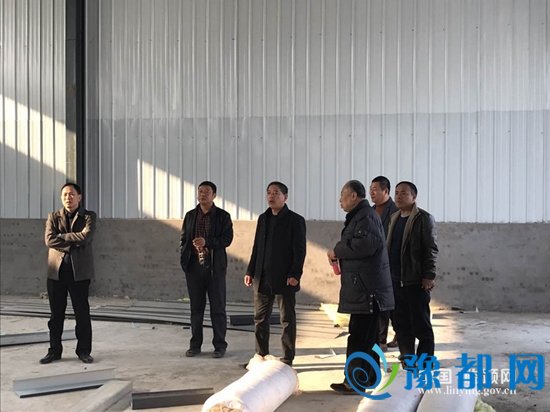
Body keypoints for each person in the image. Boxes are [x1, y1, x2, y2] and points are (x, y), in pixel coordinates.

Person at [328, 180, 394, 394]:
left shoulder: (365, 216)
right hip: (365, 289)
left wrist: (338, 250)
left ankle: (355, 382)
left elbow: (365, 246)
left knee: (359, 338)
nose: (340, 200)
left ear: (354, 196)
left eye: (342, 195)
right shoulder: (362, 216)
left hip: (367, 291)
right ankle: (370, 379)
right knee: (368, 338)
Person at [244, 182, 306, 366]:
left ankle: (287, 357)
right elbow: (257, 247)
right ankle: (261, 354)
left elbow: (300, 251)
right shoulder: (263, 218)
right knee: (260, 318)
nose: (271, 196)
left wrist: (295, 274)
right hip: (262, 276)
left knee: (287, 319)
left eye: (276, 193)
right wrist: (250, 270)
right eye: (269, 193)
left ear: (285, 197)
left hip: (285, 277)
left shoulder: (295, 220)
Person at [40, 183, 96, 364]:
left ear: (79, 197)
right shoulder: (53, 216)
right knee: (56, 315)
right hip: (56, 273)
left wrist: (62, 237)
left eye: (71, 194)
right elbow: (49, 240)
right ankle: (54, 351)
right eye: (64, 195)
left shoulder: (89, 216)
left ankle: (84, 351)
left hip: (79, 273)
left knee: (82, 313)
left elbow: (86, 237)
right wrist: (73, 241)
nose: (68, 198)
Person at [180, 181, 233, 358]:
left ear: (214, 195)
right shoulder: (190, 216)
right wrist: (185, 259)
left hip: (215, 268)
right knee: (196, 309)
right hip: (194, 267)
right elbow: (183, 239)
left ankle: (220, 346)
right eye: (200, 191)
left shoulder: (222, 216)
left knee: (218, 308)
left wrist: (207, 242)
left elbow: (227, 239)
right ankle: (195, 345)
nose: (202, 194)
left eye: (207, 192)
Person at [386, 181, 438, 362]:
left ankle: (425, 361)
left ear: (414, 197)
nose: (399, 196)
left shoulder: (423, 218)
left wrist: (429, 275)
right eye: (397, 192)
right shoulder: (394, 218)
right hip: (395, 281)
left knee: (421, 324)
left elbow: (430, 249)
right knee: (400, 324)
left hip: (415, 280)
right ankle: (408, 358)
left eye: (404, 193)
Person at [369, 176, 399, 351]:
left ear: (386, 191)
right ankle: (382, 338)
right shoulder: (370, 211)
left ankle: (388, 338)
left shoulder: (395, 212)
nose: (371, 193)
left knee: (390, 305)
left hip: (392, 265)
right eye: (370, 189)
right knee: (380, 304)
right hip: (374, 265)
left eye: (375, 189)